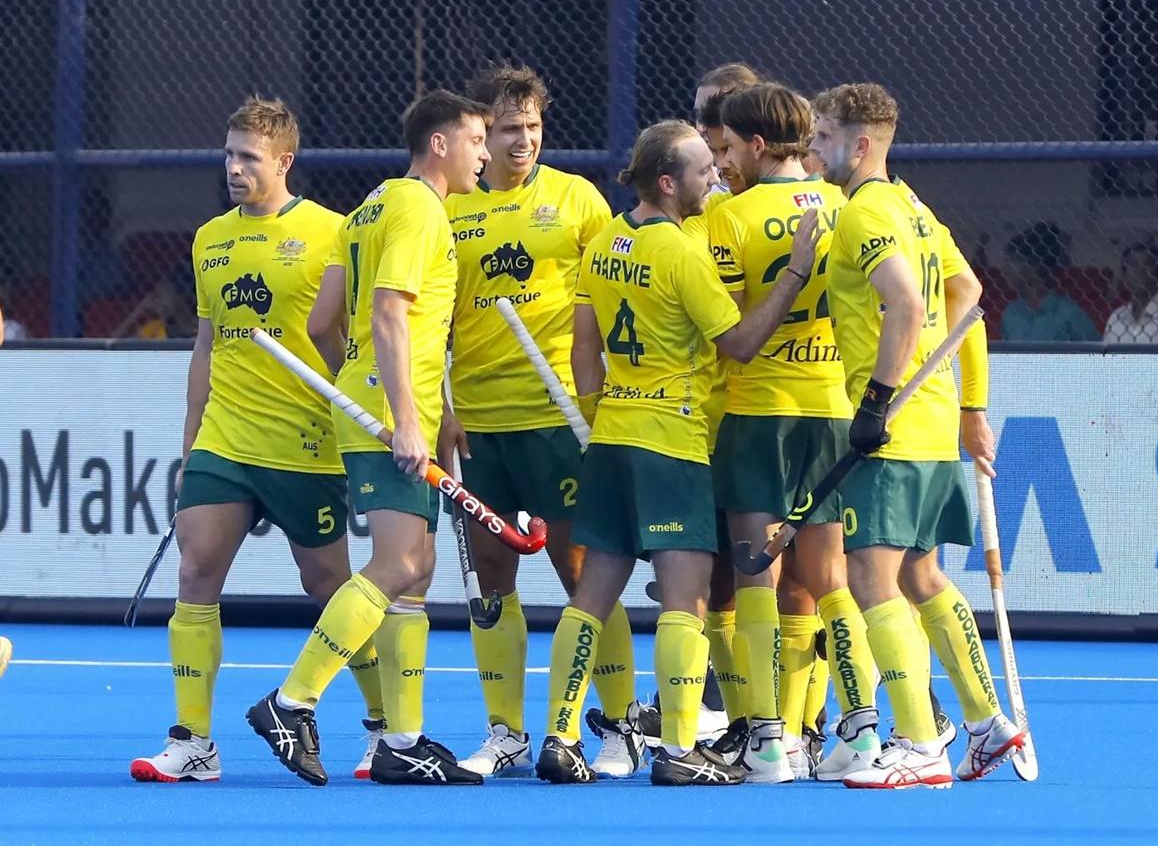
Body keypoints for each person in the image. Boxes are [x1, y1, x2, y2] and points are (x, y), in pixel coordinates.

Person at [535, 120, 822, 786]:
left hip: (610, 436)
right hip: (673, 442)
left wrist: (598, 405)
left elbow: (584, 348)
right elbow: (741, 341)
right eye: (702, 171)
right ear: (667, 182)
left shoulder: (604, 240)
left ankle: (557, 731)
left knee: (591, 595)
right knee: (686, 603)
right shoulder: (681, 254)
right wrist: (795, 273)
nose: (715, 178)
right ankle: (676, 748)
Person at [129, 97, 385, 783]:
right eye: (229, 154)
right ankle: (193, 741)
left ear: (284, 161)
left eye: (249, 157)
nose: (235, 168)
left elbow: (354, 341)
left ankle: (382, 726)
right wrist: (191, 446)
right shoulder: (210, 237)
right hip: (227, 438)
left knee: (329, 582)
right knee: (195, 567)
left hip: (305, 442)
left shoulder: (333, 234)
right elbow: (206, 346)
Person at [247, 90, 492, 787]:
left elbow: (327, 319)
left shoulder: (370, 206)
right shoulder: (419, 208)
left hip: (375, 402)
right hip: (390, 412)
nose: (483, 153)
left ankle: (401, 739)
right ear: (439, 143)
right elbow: (387, 311)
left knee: (413, 571)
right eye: (476, 139)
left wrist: (379, 392)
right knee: (395, 561)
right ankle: (290, 700)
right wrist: (405, 415)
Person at [809, 82, 1024, 788]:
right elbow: (968, 298)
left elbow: (905, 300)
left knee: (873, 578)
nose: (812, 148)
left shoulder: (865, 212)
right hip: (929, 421)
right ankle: (988, 724)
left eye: (821, 136)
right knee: (922, 575)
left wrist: (873, 401)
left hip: (892, 428)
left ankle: (919, 740)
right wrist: (971, 407)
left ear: (859, 144)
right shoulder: (914, 206)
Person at [435, 65, 638, 778]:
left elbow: (618, 295)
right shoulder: (448, 210)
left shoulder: (577, 200)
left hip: (562, 422)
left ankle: (615, 723)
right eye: (508, 129)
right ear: (479, 134)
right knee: (491, 577)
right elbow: (430, 320)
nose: (523, 141)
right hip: (481, 425)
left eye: (533, 128)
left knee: (585, 571)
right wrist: (443, 408)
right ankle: (507, 730)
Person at [704, 84, 849, 782]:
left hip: (758, 411)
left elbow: (728, 330)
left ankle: (764, 741)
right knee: (825, 581)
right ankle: (825, 729)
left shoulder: (729, 217)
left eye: (728, 147)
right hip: (831, 407)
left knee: (755, 571)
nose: (722, 160)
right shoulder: (843, 204)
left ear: (758, 145)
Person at [1001, 223, 1097, 341]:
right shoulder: (1010, 313)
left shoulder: (1069, 314)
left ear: (1033, 266)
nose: (1004, 270)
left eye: (1011, 261)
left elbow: (1094, 355)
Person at [1103, 237, 1158, 344]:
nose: (1140, 270)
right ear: (1124, 274)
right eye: (1133, 265)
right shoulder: (1116, 317)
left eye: (1146, 265)